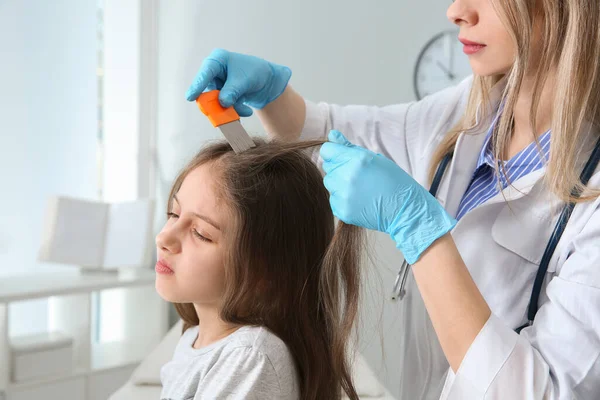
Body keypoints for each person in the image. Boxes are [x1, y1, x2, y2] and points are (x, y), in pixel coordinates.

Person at [184, 0, 600, 399]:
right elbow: (333, 138)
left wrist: (419, 230)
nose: (456, 12)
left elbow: (548, 393)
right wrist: (273, 97)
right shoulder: (468, 109)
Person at [155, 139, 363, 400]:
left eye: (200, 233)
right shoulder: (194, 340)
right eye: (174, 214)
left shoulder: (249, 357)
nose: (164, 239)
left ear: (264, 272)